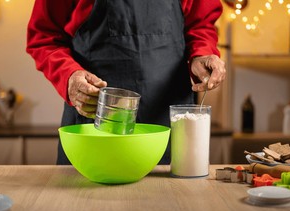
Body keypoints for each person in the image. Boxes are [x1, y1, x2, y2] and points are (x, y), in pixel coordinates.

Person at [26, 0, 226, 165]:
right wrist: (69, 76)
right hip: (94, 131)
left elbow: (201, 24)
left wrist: (202, 54)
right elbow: (44, 37)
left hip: (171, 131)